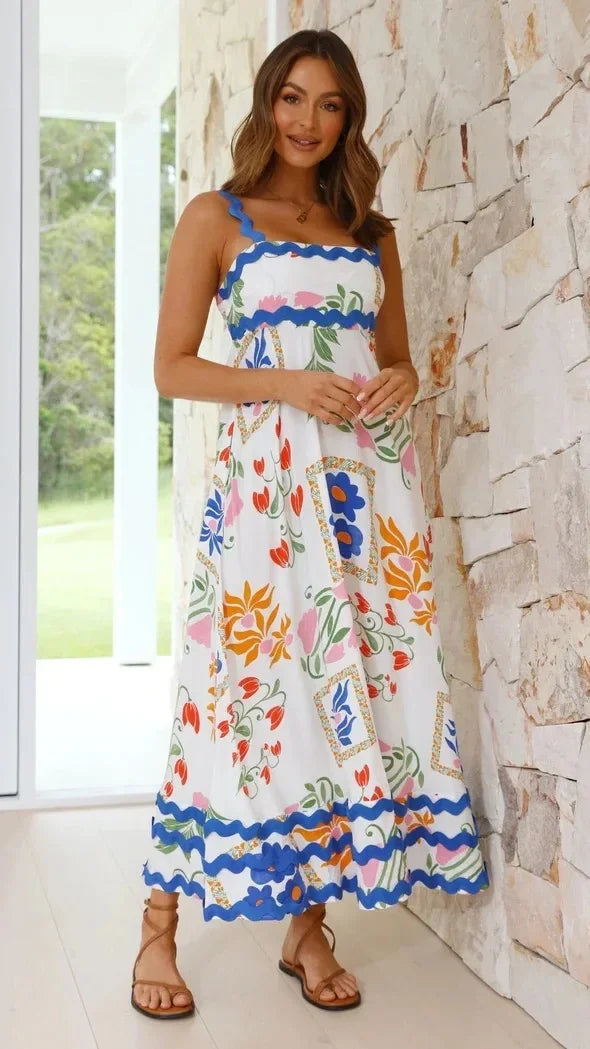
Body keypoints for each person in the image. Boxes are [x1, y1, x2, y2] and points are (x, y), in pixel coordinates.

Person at [130, 27, 489, 1021]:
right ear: (264, 101)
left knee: (345, 692)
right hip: (263, 491)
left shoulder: (370, 233)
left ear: (348, 119)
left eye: (329, 105)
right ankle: (158, 921)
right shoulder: (217, 217)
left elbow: (397, 357)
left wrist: (405, 377)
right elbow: (171, 368)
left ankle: (307, 922)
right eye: (292, 98)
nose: (306, 121)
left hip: (364, 493)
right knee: (235, 686)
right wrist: (284, 381)